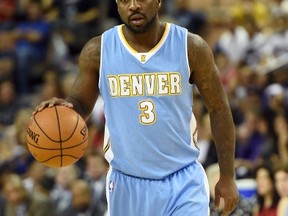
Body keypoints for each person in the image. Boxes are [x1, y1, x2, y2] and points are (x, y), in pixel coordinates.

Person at [34, 0, 239, 215]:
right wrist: (61, 111)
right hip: (127, 184)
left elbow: (219, 109)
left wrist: (227, 176)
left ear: (159, 1)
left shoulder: (190, 47)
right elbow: (81, 103)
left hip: (183, 180)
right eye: (125, 0)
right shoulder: (98, 51)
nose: (133, 5)